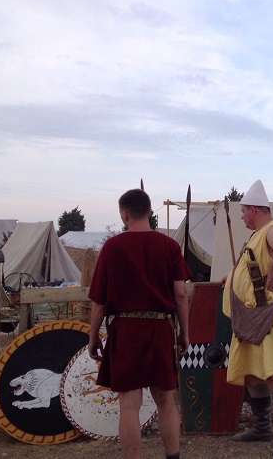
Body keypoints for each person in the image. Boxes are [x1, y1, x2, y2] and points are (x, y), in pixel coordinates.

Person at [88, 188, 191, 459]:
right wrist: (184, 333)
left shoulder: (112, 247)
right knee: (166, 401)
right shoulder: (170, 246)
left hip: (126, 332)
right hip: (160, 329)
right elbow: (181, 294)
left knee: (129, 405)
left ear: (124, 214)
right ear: (149, 212)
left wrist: (92, 336)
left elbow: (99, 302)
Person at [222, 180, 273, 458]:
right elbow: (255, 266)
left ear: (254, 210)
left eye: (243, 211)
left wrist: (272, 277)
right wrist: (233, 278)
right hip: (251, 317)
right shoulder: (258, 236)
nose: (242, 216)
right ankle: (262, 428)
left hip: (263, 318)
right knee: (252, 373)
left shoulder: (272, 229)